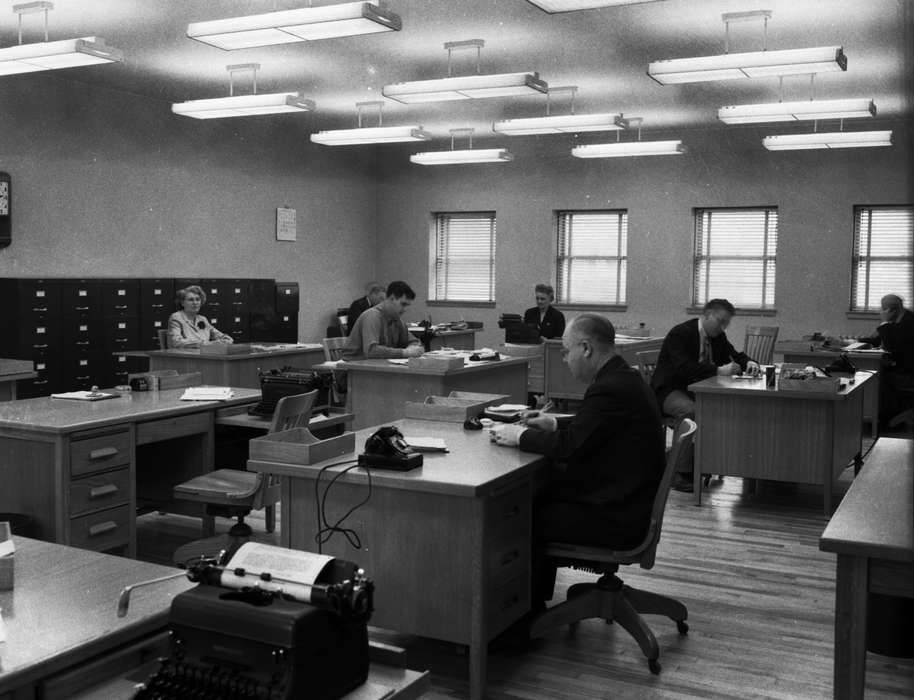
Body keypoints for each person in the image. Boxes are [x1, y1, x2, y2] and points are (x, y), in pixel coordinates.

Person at [491, 313, 665, 607]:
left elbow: (569, 448)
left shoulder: (609, 388)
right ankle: (532, 602)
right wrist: (554, 423)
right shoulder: (623, 377)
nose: (564, 359)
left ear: (586, 348)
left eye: (566, 351)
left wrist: (516, 435)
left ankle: (522, 615)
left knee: (520, 516)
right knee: (537, 497)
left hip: (615, 516)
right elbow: (595, 424)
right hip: (631, 503)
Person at [650, 298, 759, 492]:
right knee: (690, 411)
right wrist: (718, 370)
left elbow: (734, 354)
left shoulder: (717, 336)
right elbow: (683, 369)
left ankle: (706, 463)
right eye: (721, 321)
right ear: (707, 315)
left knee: (717, 408)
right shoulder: (681, 333)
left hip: (694, 390)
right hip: (669, 390)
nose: (723, 326)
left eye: (726, 323)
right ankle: (679, 473)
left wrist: (750, 362)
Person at [858, 293, 914, 424]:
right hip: (902, 367)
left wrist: (883, 321)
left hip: (907, 374)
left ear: (892, 310)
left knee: (874, 377)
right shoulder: (900, 319)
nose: (881, 312)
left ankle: (881, 417)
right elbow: (879, 340)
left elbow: (891, 344)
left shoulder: (908, 322)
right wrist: (854, 340)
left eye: (884, 309)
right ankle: (886, 415)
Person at [342, 280, 424, 360]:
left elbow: (414, 341)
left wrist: (413, 347)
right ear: (391, 298)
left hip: (377, 366)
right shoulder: (372, 316)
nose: (405, 309)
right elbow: (371, 351)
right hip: (354, 368)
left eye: (408, 305)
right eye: (403, 304)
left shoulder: (396, 319)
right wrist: (405, 353)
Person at [167, 285, 233, 349]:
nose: (195, 303)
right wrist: (205, 344)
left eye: (198, 299)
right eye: (191, 300)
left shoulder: (202, 319)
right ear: (182, 303)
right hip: (186, 357)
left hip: (204, 354)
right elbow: (176, 342)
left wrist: (226, 339)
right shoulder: (176, 317)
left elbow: (219, 335)